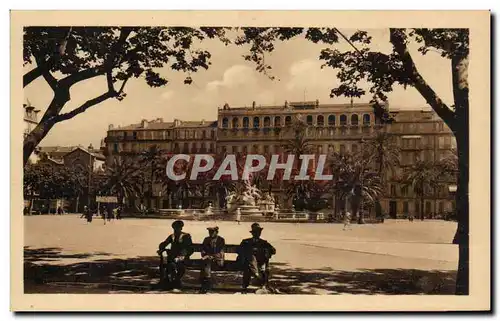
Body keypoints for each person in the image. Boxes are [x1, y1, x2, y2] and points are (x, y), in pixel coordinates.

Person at [237, 223, 276, 293]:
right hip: (246, 262)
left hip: (259, 263)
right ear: (252, 233)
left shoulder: (263, 242)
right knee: (250, 258)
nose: (258, 233)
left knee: (249, 266)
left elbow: (273, 250)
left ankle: (253, 277)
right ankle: (257, 275)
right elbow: (238, 250)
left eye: (259, 232)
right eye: (256, 232)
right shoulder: (246, 242)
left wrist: (267, 252)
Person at [157, 220, 194, 290]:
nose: (176, 230)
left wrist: (182, 256)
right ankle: (170, 282)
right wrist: (161, 248)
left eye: (177, 228)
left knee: (179, 266)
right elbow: (164, 243)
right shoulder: (172, 236)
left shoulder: (186, 236)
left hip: (183, 257)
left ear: (181, 228)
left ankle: (176, 281)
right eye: (174, 228)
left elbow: (190, 248)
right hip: (172, 258)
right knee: (169, 265)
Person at [199, 226, 225, 294]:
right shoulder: (206, 239)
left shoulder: (220, 240)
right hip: (208, 260)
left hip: (218, 260)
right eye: (209, 232)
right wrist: (205, 255)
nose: (210, 233)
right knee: (206, 263)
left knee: (206, 264)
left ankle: (206, 287)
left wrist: (211, 256)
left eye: (212, 232)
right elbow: (203, 250)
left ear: (217, 232)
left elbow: (220, 253)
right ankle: (205, 287)